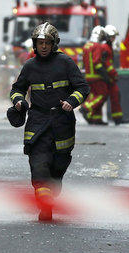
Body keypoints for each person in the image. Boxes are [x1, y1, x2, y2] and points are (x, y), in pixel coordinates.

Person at [9, 22, 89, 221]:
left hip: (62, 123)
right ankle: (45, 207)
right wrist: (19, 101)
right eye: (40, 42)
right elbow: (16, 89)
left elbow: (82, 87)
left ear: (54, 44)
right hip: (38, 121)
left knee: (58, 167)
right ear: (34, 45)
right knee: (39, 164)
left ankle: (50, 195)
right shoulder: (29, 66)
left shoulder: (66, 63)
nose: (43, 46)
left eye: (47, 42)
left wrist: (72, 101)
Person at [80, 26, 111, 125]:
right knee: (102, 95)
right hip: (96, 76)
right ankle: (86, 107)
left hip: (88, 76)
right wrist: (105, 76)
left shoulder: (86, 46)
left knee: (94, 95)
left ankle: (96, 118)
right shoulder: (97, 46)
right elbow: (96, 62)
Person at [103, 25, 123, 125]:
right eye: (112, 37)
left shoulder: (108, 47)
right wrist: (113, 73)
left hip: (109, 77)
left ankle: (118, 118)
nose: (114, 39)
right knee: (103, 96)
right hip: (106, 77)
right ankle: (88, 111)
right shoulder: (105, 47)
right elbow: (106, 63)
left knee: (115, 95)